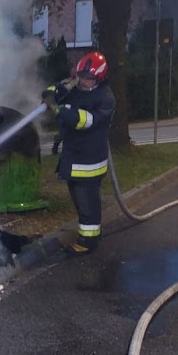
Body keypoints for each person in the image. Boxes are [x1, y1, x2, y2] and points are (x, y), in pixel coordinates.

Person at [42, 51, 116, 256]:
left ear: (99, 78)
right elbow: (54, 91)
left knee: (87, 204)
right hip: (74, 157)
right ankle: (92, 234)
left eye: (87, 78)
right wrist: (51, 93)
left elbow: (85, 121)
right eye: (80, 76)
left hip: (89, 162)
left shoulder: (105, 98)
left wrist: (59, 110)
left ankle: (87, 241)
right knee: (80, 202)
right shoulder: (78, 87)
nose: (82, 81)